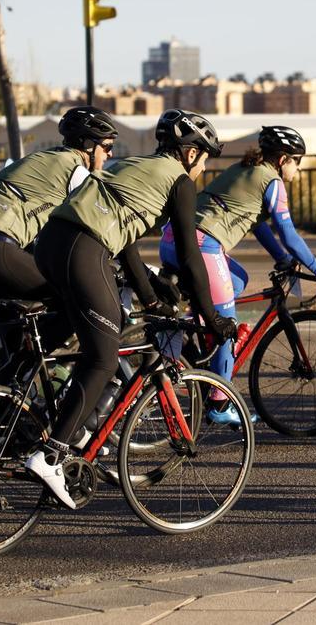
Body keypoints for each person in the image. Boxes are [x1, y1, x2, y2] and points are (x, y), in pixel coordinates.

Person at [29, 109, 237, 508]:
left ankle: (24, 415)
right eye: (205, 157)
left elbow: (125, 243)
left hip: (53, 243)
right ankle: (51, 454)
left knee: (81, 334)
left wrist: (152, 298)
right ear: (190, 154)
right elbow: (192, 259)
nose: (204, 166)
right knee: (103, 359)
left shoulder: (131, 165)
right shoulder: (178, 181)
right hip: (84, 249)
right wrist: (212, 318)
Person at [158, 125, 316, 425]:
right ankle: (218, 403)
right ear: (283, 160)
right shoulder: (273, 182)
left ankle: (196, 337)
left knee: (238, 279)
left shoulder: (243, 168)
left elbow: (257, 224)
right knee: (226, 323)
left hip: (172, 241)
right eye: (298, 161)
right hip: (202, 246)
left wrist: (282, 258)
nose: (298, 168)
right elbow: (289, 234)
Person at [0, 106, 117, 302]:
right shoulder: (76, 172)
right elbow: (104, 227)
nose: (111, 154)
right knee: (73, 295)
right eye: (107, 147)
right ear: (89, 144)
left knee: (13, 319)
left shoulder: (44, 158)